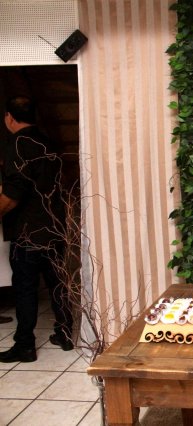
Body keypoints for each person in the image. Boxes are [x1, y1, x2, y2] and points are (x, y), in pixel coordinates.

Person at [0, 95, 73, 363]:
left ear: (9, 117)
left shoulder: (18, 144)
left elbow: (14, 192)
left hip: (28, 232)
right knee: (57, 284)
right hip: (54, 227)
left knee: (25, 289)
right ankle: (65, 334)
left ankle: (25, 346)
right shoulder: (47, 142)